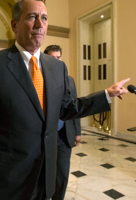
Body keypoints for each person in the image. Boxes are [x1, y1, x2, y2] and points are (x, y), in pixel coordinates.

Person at [0, 1, 129, 199]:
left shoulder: (57, 67)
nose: (39, 24)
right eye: (32, 17)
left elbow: (67, 109)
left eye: (44, 18)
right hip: (9, 179)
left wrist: (105, 95)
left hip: (46, 173)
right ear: (15, 25)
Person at [44, 44, 80, 200]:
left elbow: (75, 107)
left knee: (63, 173)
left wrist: (77, 132)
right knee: (45, 172)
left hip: (65, 134)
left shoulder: (70, 80)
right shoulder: (39, 78)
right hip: (46, 134)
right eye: (52, 58)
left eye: (59, 58)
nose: (56, 61)